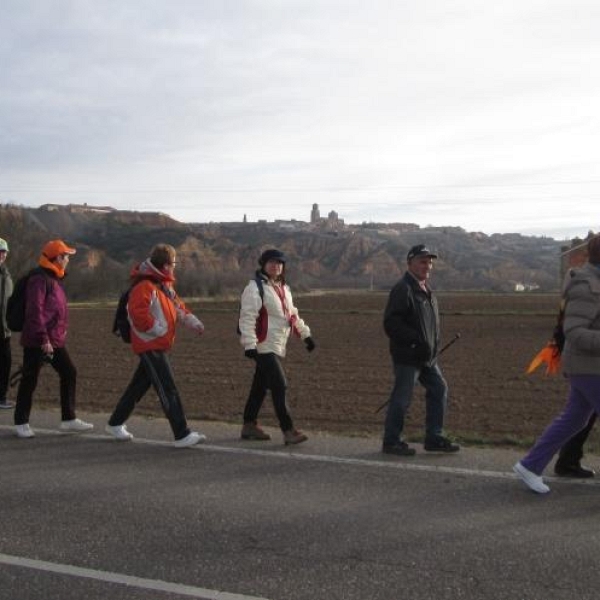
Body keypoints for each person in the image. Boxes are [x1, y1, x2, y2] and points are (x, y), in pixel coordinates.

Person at [514, 235, 600, 493]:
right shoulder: (587, 285)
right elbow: (574, 331)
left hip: (587, 365)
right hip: (589, 366)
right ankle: (531, 465)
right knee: (574, 418)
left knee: (574, 418)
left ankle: (530, 465)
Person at [106, 244, 206, 448]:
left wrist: (192, 321)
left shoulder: (163, 285)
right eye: (173, 263)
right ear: (165, 265)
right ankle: (181, 434)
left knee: (138, 387)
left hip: (156, 344)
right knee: (167, 388)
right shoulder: (145, 286)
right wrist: (159, 329)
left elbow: (178, 307)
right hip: (150, 344)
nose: (174, 268)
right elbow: (138, 315)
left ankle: (115, 423)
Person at [381, 244, 460, 456]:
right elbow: (391, 323)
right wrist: (416, 342)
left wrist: (430, 346)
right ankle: (391, 441)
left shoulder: (426, 290)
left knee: (439, 389)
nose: (428, 266)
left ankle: (434, 438)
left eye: (429, 262)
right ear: (411, 263)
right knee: (402, 398)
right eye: (423, 261)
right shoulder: (403, 289)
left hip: (428, 357)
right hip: (408, 356)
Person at [13, 240, 93, 438]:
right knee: (30, 379)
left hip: (54, 339)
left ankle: (68, 419)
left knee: (69, 372)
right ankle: (21, 422)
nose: (68, 260)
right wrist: (43, 339)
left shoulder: (54, 279)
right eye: (66, 256)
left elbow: (55, 310)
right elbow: (35, 311)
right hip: (38, 339)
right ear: (58, 258)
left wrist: (59, 332)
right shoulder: (39, 280)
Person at [238, 248, 315, 445]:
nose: (276, 266)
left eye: (280, 263)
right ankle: (288, 430)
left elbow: (292, 315)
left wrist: (305, 335)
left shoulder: (283, 289)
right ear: (263, 265)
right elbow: (247, 317)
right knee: (279, 385)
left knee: (260, 386)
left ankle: (249, 425)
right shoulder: (255, 288)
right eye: (272, 262)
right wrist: (250, 345)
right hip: (263, 345)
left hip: (278, 344)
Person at [0, 237, 14, 409]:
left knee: (5, 363)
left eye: (4, 251)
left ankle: (1, 398)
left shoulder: (6, 273)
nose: (2, 254)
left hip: (4, 329)